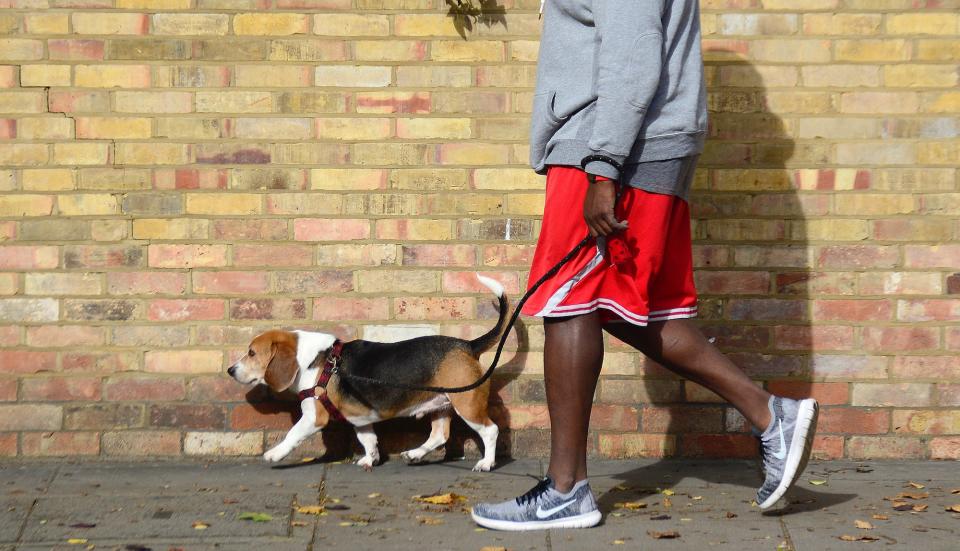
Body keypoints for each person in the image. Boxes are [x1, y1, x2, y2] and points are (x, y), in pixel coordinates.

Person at [470, 0, 819, 531]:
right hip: (634, 143)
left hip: (614, 147)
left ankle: (566, 489)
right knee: (626, 307)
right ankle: (772, 415)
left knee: (569, 303)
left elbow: (632, 56)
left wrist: (604, 165)